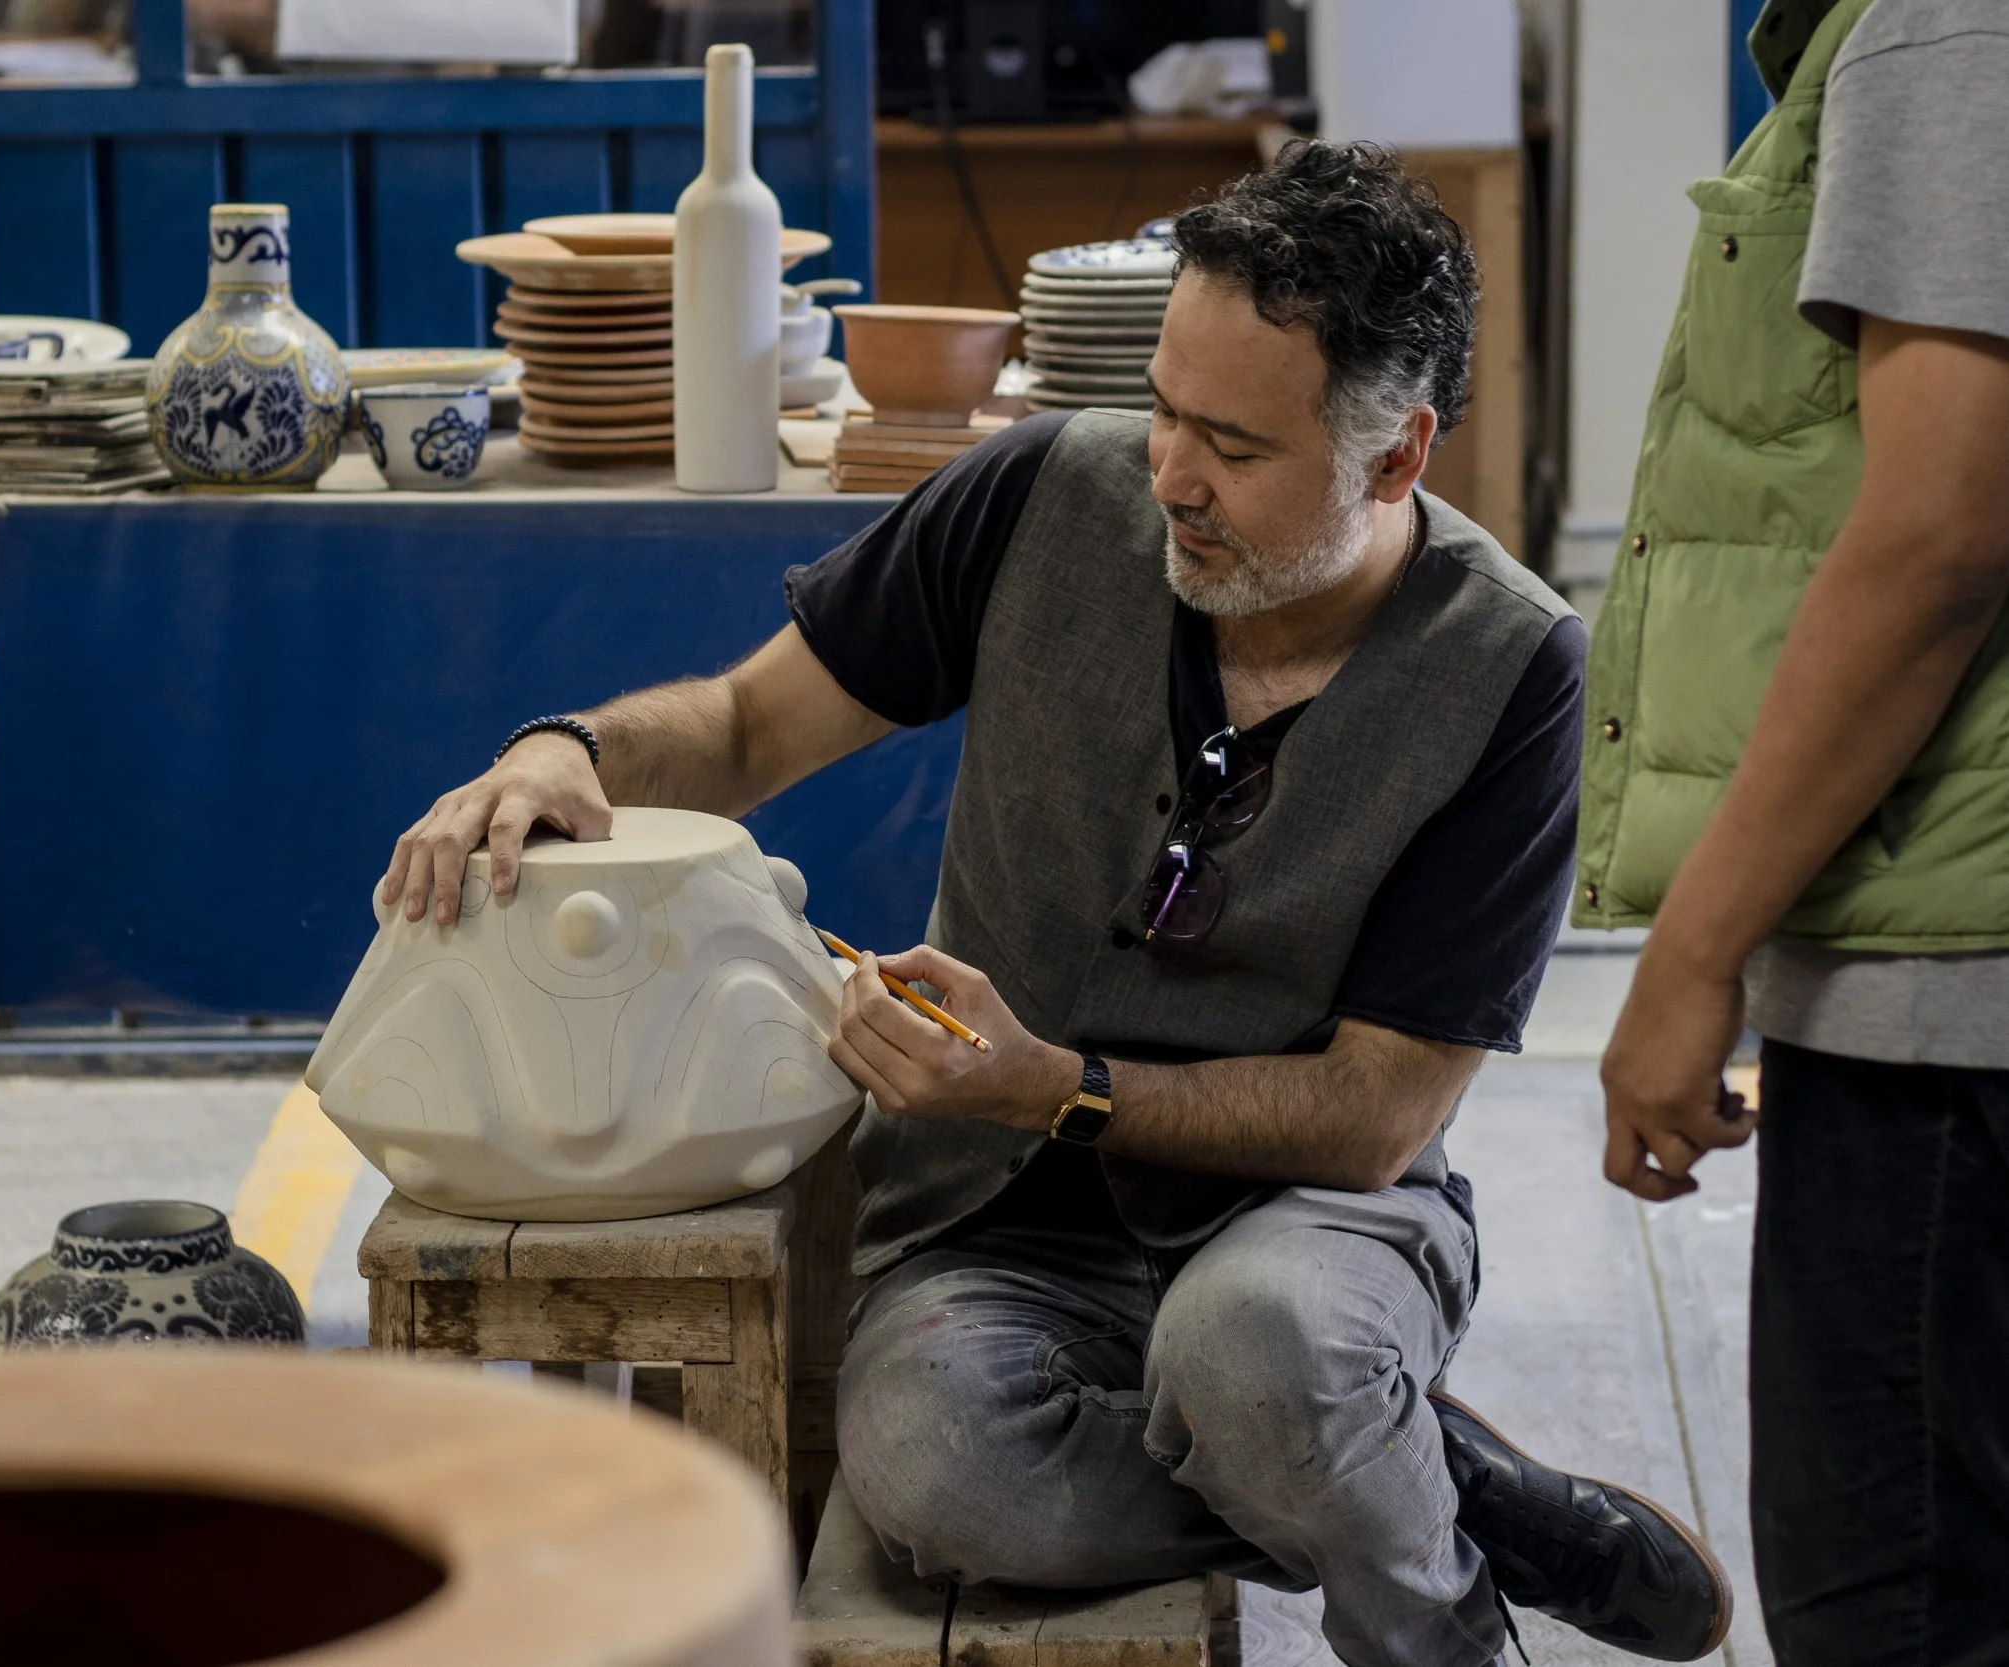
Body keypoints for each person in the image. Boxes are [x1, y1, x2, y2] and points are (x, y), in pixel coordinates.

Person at [385, 142, 1727, 1667]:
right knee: (943, 1475)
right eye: (1164, 408)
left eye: (1234, 444)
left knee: (1262, 1351)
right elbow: (750, 727)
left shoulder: (1511, 670)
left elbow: (1375, 1115)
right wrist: (565, 748)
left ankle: (1424, 1600)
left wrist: (1054, 1087)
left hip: (1307, 1217)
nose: (1171, 475)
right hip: (986, 1222)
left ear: (1396, 456)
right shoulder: (1041, 491)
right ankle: (1407, 1472)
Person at [1582, 1, 2009, 1662]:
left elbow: (1940, 532)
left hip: (1950, 1003)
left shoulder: (1949, 27)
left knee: (1899, 1610)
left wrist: (1696, 951)